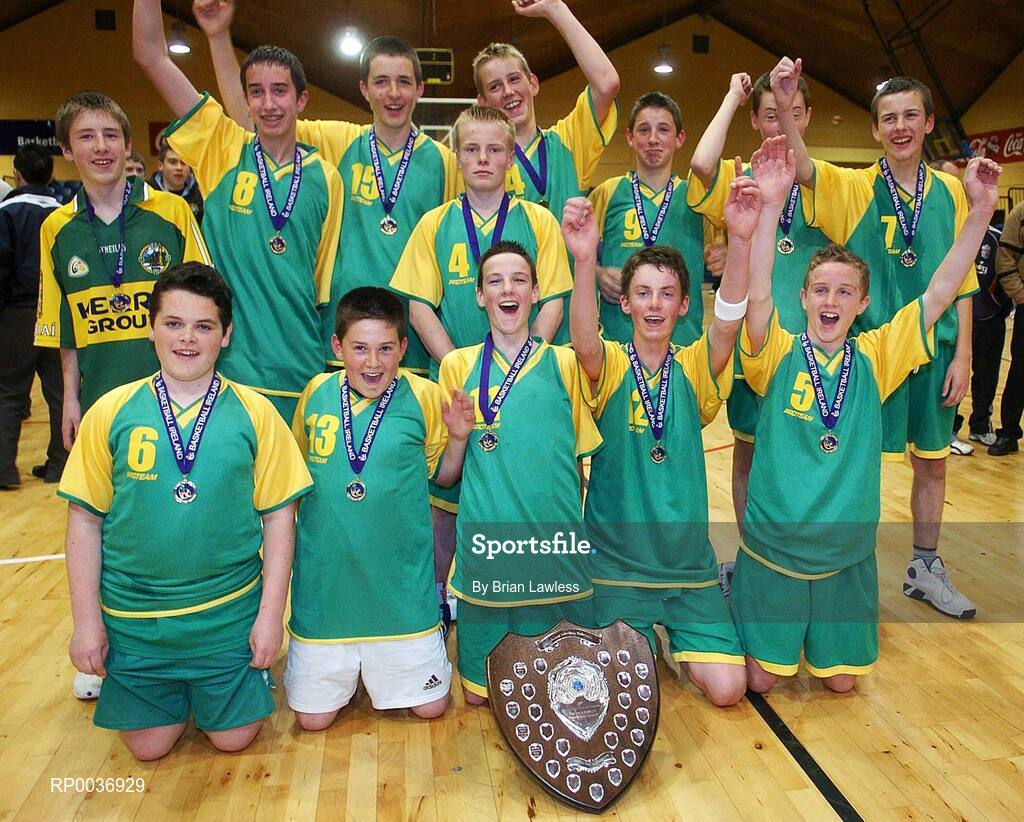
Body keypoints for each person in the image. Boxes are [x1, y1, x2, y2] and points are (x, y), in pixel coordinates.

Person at [734, 149, 1000, 695]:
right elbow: (758, 295)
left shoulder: (878, 356)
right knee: (759, 683)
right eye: (821, 290)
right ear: (803, 297)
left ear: (862, 303)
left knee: (841, 686)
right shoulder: (776, 352)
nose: (831, 300)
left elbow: (940, 292)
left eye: (844, 292)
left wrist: (979, 212)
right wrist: (770, 207)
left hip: (844, 554)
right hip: (775, 551)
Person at [60, 262, 313, 760]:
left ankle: (219, 687)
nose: (187, 339)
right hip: (135, 617)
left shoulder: (256, 413)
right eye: (174, 323)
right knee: (148, 748)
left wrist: (269, 619)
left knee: (234, 740)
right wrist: (86, 623)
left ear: (226, 334)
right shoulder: (111, 411)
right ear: (150, 327)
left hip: (225, 614)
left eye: (204, 326)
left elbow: (280, 522)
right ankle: (171, 691)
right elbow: (84, 522)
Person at [565, 137, 783, 705]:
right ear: (628, 304)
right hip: (616, 565)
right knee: (626, 686)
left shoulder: (693, 367)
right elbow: (583, 339)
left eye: (667, 293)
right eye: (643, 293)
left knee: (730, 690)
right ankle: (647, 641)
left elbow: (730, 323)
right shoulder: (610, 365)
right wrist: (585, 260)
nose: (655, 303)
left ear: (685, 305)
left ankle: (683, 634)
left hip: (687, 567)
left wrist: (739, 241)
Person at [772, 62, 979, 618]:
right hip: (871, 357)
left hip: (933, 351)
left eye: (911, 115)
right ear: (875, 130)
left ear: (929, 121)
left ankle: (925, 567)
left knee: (932, 462)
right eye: (890, 118)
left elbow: (961, 277)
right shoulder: (858, 185)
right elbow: (806, 168)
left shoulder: (954, 193)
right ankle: (828, 564)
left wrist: (963, 354)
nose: (901, 126)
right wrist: (788, 105)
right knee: (852, 461)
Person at [194, 0, 458, 372]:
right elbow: (253, 117)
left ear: (420, 89)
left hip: (411, 337)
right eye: (381, 82)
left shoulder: (445, 161)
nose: (393, 93)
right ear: (364, 89)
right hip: (342, 330)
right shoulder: (336, 141)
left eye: (403, 82)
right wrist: (218, 37)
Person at [390, 104, 571, 611]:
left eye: (495, 149)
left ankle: (532, 594)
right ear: (456, 155)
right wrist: (460, 368)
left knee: (519, 493)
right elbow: (419, 304)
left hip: (526, 388)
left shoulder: (538, 220)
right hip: (457, 387)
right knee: (444, 503)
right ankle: (434, 602)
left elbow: (554, 296)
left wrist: (522, 361)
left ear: (512, 156)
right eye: (472, 149)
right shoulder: (434, 223)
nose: (483, 158)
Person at [133, 0, 344, 421]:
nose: (268, 104)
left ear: (301, 99)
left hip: (299, 367)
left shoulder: (325, 176)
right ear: (244, 100)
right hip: (227, 367)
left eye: (280, 90)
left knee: (294, 487)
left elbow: (322, 287)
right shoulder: (222, 149)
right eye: (256, 92)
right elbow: (150, 56)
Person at [286, 287, 473, 730]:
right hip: (327, 593)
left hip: (400, 593)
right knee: (312, 721)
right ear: (337, 348)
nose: (373, 363)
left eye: (386, 349)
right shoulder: (315, 392)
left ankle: (397, 655)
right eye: (360, 349)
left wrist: (460, 438)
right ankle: (353, 673)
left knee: (431, 709)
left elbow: (443, 478)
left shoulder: (425, 397)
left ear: (404, 349)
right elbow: (297, 476)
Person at [437, 240, 602, 702]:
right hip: (489, 559)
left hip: (556, 557)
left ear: (534, 293)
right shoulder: (457, 365)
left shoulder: (563, 362)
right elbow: (447, 477)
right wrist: (457, 437)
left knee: (569, 688)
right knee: (478, 695)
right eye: (494, 281)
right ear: (479, 295)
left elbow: (577, 465)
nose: (506, 289)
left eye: (518, 280)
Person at [688, 70, 830, 544]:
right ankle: (751, 552)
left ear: (806, 117)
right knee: (746, 451)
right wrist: (730, 96)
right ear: (754, 119)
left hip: (812, 348)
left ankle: (799, 551)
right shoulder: (738, 176)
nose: (779, 124)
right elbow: (702, 165)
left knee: (807, 451)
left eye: (791, 114)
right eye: (770, 115)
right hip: (752, 345)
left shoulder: (821, 180)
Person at [35, 91, 211, 450]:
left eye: (111, 135)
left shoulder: (172, 211)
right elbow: (63, 326)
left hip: (177, 397)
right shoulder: (55, 228)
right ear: (67, 150)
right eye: (86, 136)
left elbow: (206, 303)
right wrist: (70, 398)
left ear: (128, 145)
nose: (101, 147)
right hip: (99, 400)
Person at [474, 0, 619, 228]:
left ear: (533, 83)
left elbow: (607, 83)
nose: (508, 91)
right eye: (495, 86)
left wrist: (555, 8)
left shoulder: (569, 142)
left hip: (563, 265)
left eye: (514, 79)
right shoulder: (477, 160)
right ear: (482, 103)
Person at [588, 92, 705, 346]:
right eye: (643, 130)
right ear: (630, 137)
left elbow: (727, 253)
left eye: (663, 130)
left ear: (679, 138)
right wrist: (596, 273)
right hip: (618, 342)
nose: (653, 139)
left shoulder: (697, 198)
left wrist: (725, 253)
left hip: (683, 344)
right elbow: (572, 256)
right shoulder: (608, 192)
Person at [0, 142, 65, 488]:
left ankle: (4, 470)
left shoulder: (6, 213)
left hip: (18, 313)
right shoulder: (66, 212)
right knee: (59, 392)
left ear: (17, 176)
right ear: (52, 174)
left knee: (9, 391)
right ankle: (59, 464)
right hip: (58, 313)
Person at [989, 200, 1024, 455]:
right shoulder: (1020, 213)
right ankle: (1009, 432)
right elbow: (1005, 259)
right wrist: (1021, 295)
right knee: (1019, 372)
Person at [149, 136, 204, 224]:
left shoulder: (200, 195)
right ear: (160, 165)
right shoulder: (148, 193)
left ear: (189, 167)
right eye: (173, 162)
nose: (179, 168)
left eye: (183, 163)